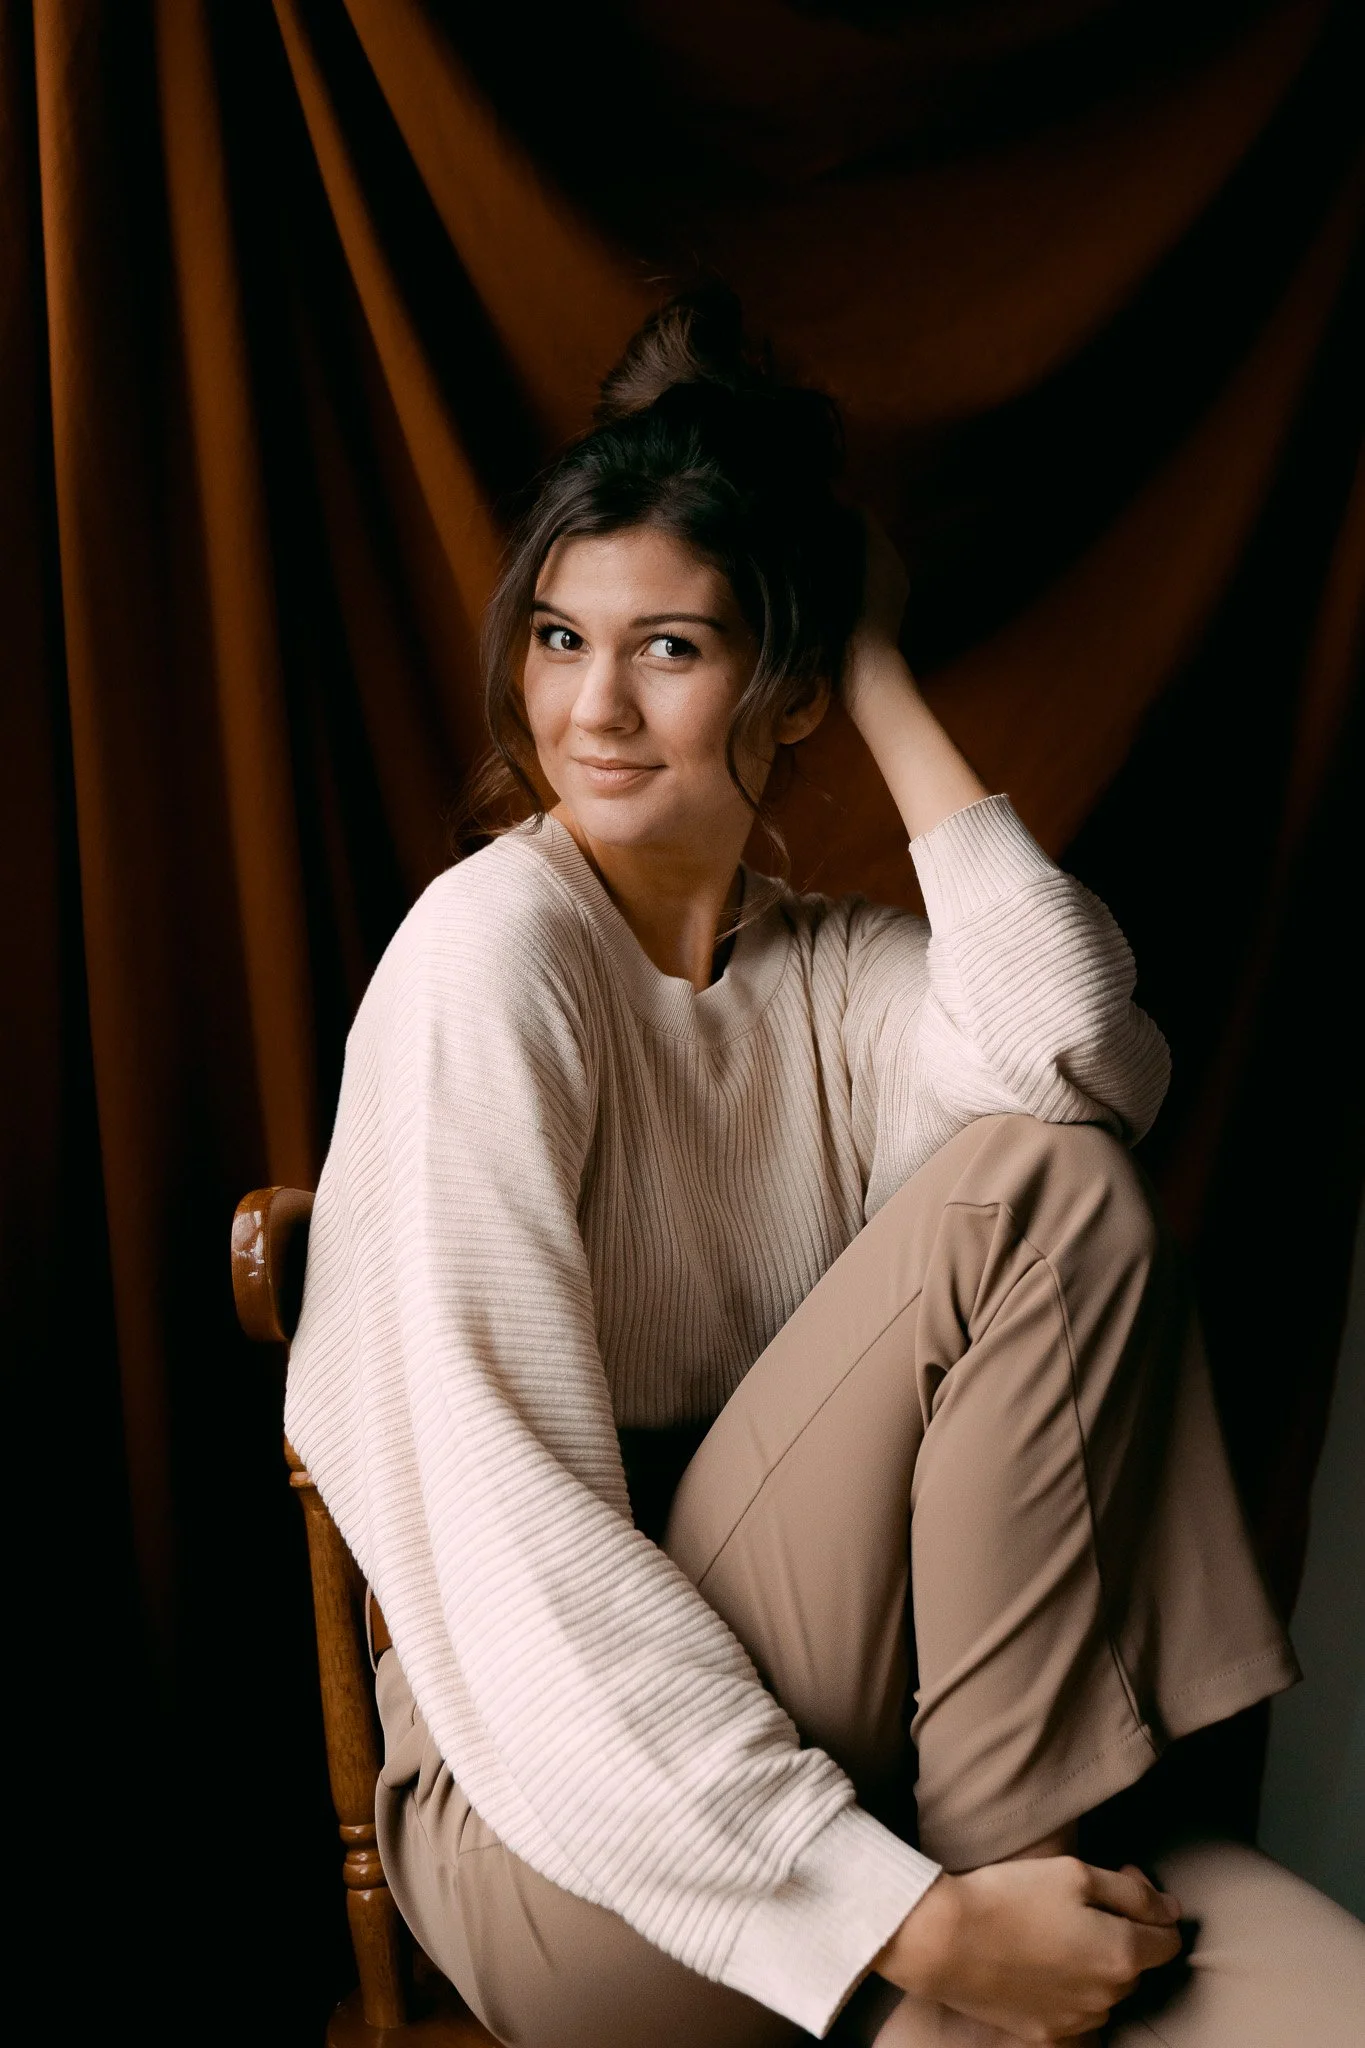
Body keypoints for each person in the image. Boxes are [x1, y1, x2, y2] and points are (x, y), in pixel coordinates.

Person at [284, 289, 1365, 2047]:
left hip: (844, 1775)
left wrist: (874, 663)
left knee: (1055, 1167)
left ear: (782, 698)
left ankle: (1026, 1873)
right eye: (560, 638)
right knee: (1035, 1192)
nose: (596, 708)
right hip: (562, 1836)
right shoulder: (486, 958)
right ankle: (1002, 1939)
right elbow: (504, 1552)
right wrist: (918, 1927)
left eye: (676, 651)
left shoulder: (829, 977)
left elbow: (1082, 1050)